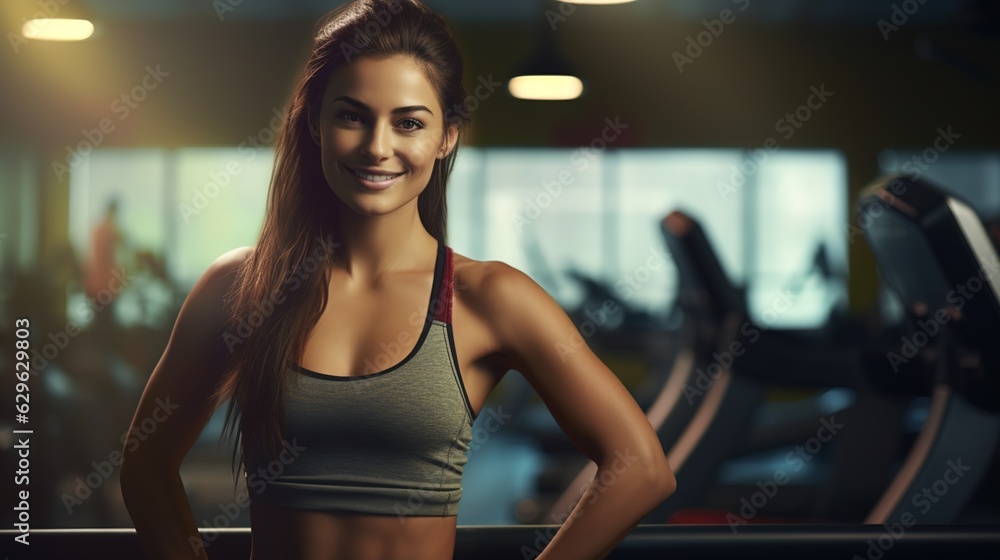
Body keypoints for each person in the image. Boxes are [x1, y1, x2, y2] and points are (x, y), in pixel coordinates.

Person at [119, 1, 676, 559]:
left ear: (447, 136)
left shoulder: (489, 300)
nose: (377, 147)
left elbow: (641, 469)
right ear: (315, 121)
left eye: (408, 122)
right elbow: (145, 462)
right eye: (352, 116)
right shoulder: (240, 287)